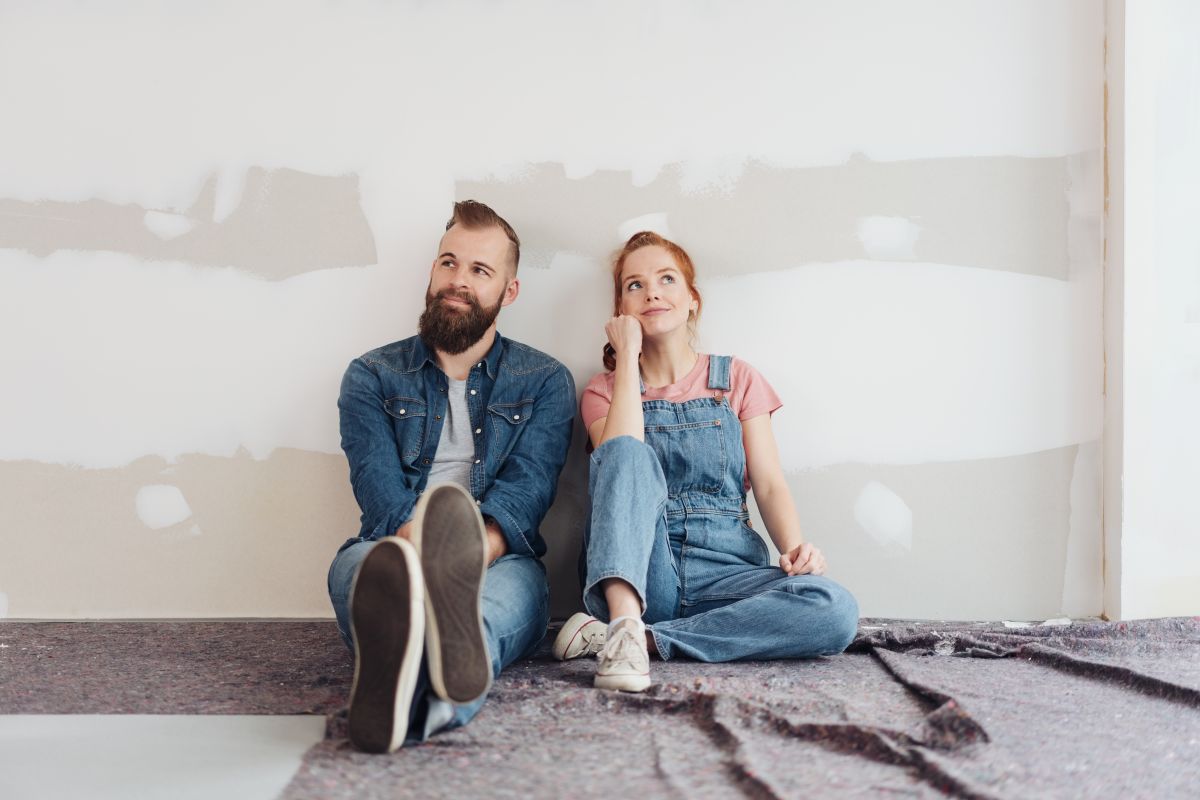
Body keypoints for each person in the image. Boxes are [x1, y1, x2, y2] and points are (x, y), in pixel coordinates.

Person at [552, 231, 858, 692]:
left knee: (834, 608)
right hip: (640, 574)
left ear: (692, 300)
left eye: (666, 279)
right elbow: (623, 459)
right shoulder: (603, 390)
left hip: (726, 573)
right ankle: (625, 619)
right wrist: (629, 358)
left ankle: (635, 641)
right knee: (626, 451)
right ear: (621, 310)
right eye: (634, 285)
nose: (651, 291)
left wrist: (794, 549)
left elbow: (770, 484)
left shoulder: (737, 378)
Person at [329, 200, 575, 752]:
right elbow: (381, 496)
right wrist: (424, 558)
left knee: (479, 622)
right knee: (364, 575)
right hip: (390, 553)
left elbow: (526, 493)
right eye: (449, 263)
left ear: (509, 292)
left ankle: (405, 697)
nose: (457, 281)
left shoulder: (545, 381)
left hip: (500, 561)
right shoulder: (370, 376)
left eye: (480, 270)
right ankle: (431, 705)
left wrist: (462, 557)